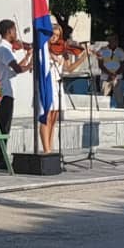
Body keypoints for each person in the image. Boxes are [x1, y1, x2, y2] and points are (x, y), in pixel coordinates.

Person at [40, 24, 86, 154]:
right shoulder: (43, 49)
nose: (54, 38)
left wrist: (83, 58)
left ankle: (50, 147)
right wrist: (50, 55)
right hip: (47, 83)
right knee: (46, 117)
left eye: (57, 35)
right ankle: (46, 149)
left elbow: (69, 69)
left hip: (57, 84)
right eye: (53, 35)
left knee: (54, 118)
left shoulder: (62, 50)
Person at [0, 20, 32, 171]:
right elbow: (17, 69)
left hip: (7, 91)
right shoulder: (4, 49)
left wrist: (27, 58)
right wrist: (30, 65)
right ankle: (1, 159)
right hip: (5, 92)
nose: (16, 34)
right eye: (14, 30)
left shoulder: (6, 48)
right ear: (9, 31)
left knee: (3, 126)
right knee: (4, 127)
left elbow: (13, 70)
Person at [97, 32, 124, 107]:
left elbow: (123, 65)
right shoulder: (102, 50)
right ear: (109, 41)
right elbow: (100, 65)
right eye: (114, 39)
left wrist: (115, 75)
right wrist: (110, 74)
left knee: (119, 100)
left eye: (116, 40)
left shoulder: (120, 51)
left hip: (117, 78)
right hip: (105, 78)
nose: (116, 41)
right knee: (103, 100)